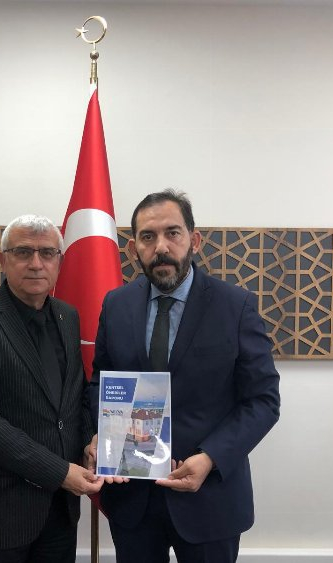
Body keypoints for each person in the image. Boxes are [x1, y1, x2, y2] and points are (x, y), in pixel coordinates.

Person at [86, 190, 281, 563]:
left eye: (172, 233)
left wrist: (210, 458)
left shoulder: (235, 306)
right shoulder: (116, 305)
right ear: (134, 249)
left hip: (210, 498)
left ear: (194, 240)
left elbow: (263, 401)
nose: (161, 246)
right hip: (133, 500)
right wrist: (100, 435)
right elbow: (99, 382)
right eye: (148, 236)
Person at [0, 214, 103, 563]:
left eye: (47, 253)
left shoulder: (67, 316)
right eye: (23, 252)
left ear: (59, 261)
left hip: (60, 512)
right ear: (3, 260)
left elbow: (74, 396)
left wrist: (88, 442)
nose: (36, 263)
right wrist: (60, 472)